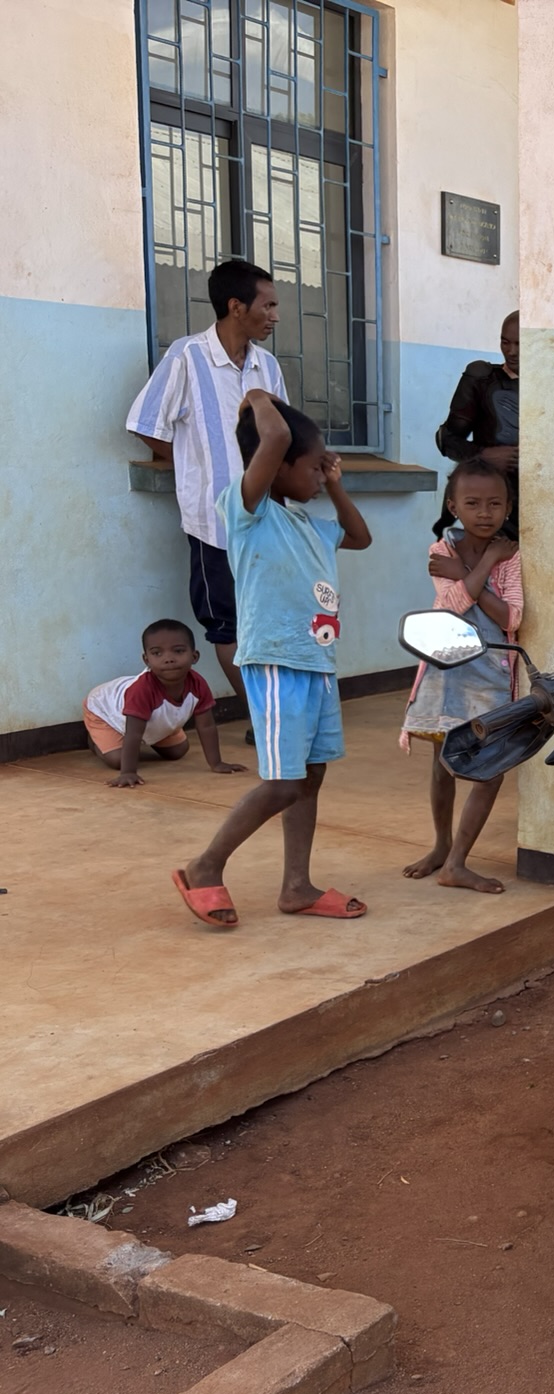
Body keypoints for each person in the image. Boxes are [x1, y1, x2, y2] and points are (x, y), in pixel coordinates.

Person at [172, 391, 371, 928]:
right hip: (277, 663)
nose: (320, 475)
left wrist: (334, 483)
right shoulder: (247, 511)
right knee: (283, 782)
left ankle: (297, 886)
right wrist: (258, 397)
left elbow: (360, 537)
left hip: (316, 664)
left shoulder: (308, 523)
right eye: (313, 467)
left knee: (309, 775)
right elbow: (277, 435)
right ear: (276, 465)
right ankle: (205, 866)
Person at [126, 258, 288, 717]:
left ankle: (280, 710)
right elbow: (146, 424)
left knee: (267, 617)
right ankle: (263, 715)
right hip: (213, 523)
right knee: (227, 623)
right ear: (236, 307)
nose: (275, 316)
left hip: (267, 520)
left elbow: (284, 436)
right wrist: (193, 462)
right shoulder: (187, 357)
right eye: (268, 305)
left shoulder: (267, 366)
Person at [400, 459, 523, 894]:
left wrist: (472, 574)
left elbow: (510, 617)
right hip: (447, 671)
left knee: (490, 770)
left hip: (491, 674)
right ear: (453, 506)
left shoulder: (512, 556)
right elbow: (450, 607)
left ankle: (456, 863)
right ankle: (441, 848)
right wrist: (485, 564)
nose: (484, 513)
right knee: (442, 767)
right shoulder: (441, 551)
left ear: (508, 507)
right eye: (472, 503)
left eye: (494, 504)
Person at [86, 619, 245, 788]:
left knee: (178, 751)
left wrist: (216, 763)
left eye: (178, 651)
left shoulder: (198, 684)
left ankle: (135, 741)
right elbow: (133, 733)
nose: (168, 659)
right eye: (157, 653)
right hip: (103, 711)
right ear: (146, 660)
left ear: (194, 656)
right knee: (117, 760)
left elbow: (206, 726)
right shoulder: (141, 690)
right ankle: (93, 741)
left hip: (149, 722)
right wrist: (128, 772)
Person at [435, 310, 520, 536]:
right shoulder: (482, 379)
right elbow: (446, 439)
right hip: (492, 504)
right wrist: (483, 455)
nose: (511, 352)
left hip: (544, 501)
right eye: (505, 342)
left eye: (520, 344)